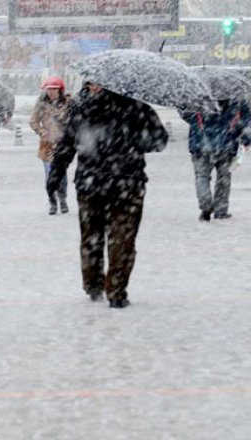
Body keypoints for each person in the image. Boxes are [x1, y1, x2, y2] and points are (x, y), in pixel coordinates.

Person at [48, 83, 168, 309]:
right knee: (122, 239)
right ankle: (117, 290)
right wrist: (135, 142)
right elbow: (160, 141)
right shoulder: (140, 109)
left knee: (91, 236)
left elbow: (67, 145)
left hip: (90, 184)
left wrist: (56, 174)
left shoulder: (84, 110)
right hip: (127, 184)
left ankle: (93, 284)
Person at [180, 99, 251, 221]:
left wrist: (182, 104)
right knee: (224, 178)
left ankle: (206, 206)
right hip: (227, 143)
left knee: (202, 176)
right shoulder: (237, 98)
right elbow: (247, 122)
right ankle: (221, 210)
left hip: (200, 143)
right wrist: (246, 140)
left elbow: (187, 115)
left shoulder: (197, 97)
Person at [29, 76, 72, 215]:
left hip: (63, 144)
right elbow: (33, 121)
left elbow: (75, 119)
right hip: (47, 145)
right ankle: (52, 201)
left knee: (62, 174)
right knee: (49, 175)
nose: (51, 92)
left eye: (54, 89)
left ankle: (63, 199)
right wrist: (42, 131)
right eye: (49, 89)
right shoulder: (41, 103)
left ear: (60, 90)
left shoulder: (68, 103)